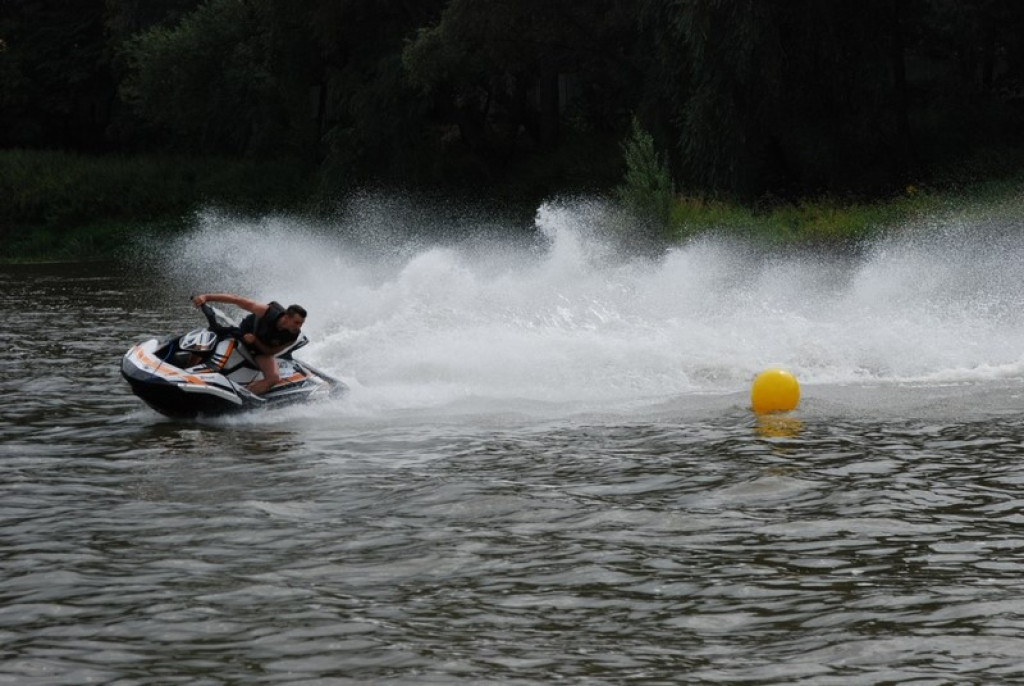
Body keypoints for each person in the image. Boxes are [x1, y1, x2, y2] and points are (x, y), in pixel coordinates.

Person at [191, 293, 307, 395]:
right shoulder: (266, 311)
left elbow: (270, 352)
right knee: (209, 336)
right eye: (296, 322)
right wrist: (206, 297)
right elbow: (236, 299)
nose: (299, 327)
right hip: (242, 334)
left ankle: (244, 398)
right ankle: (189, 370)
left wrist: (255, 341)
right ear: (286, 317)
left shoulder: (293, 336)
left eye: (301, 323)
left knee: (274, 378)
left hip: (260, 349)